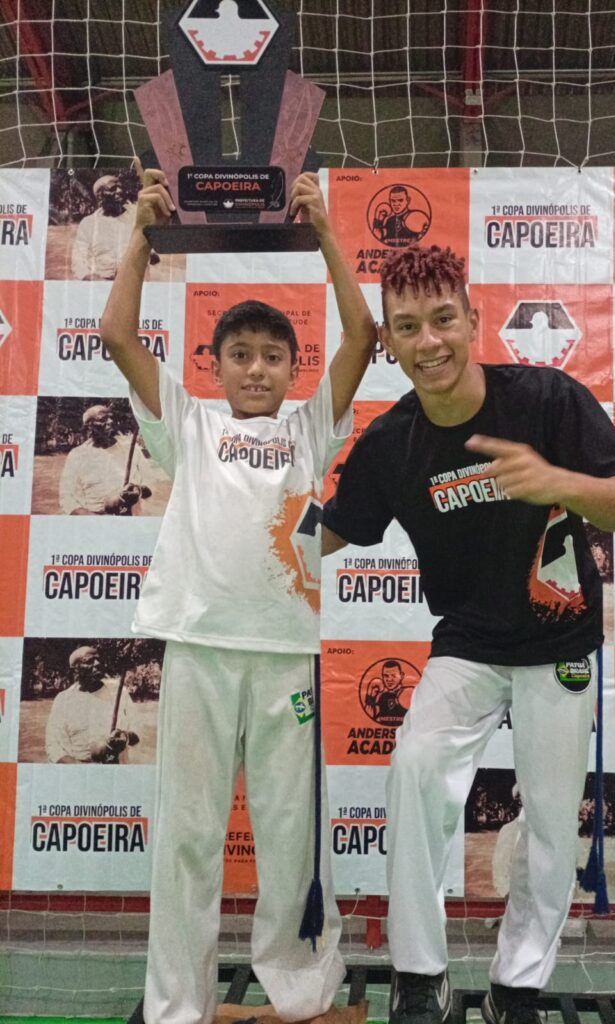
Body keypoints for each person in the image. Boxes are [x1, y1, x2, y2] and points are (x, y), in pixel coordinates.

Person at [322, 244, 615, 1024]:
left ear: (472, 320)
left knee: (550, 820)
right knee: (414, 770)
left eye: (442, 319)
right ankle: (419, 976)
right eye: (407, 326)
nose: (428, 340)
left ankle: (516, 986)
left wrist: (556, 481)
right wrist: (237, 522)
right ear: (387, 342)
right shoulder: (389, 442)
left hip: (559, 643)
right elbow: (323, 534)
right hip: (466, 643)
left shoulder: (545, 399)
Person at [99, 165, 377, 1024]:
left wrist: (325, 233)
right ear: (213, 365)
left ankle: (298, 989)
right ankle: (176, 1000)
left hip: (286, 654)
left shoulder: (309, 428)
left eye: (273, 356)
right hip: (199, 648)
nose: (257, 369)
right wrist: (142, 236)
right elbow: (116, 335)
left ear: (293, 368)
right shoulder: (189, 423)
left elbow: (362, 337)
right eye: (240, 355)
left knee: (292, 834)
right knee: (187, 833)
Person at [45, 645, 140, 764]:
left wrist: (125, 737)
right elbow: (53, 746)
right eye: (89, 661)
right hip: (76, 768)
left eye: (98, 659)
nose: (97, 663)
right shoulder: (63, 700)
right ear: (75, 669)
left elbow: (137, 731)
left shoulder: (119, 692)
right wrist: (82, 768)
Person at [59, 403, 155, 515]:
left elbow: (150, 482)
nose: (110, 422)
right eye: (102, 419)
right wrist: (95, 519)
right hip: (94, 518)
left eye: (110, 418)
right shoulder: (77, 455)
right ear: (89, 426)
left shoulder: (130, 447)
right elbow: (67, 499)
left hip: (130, 517)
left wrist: (138, 491)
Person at [71, 174, 141, 281]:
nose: (119, 191)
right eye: (113, 189)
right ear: (100, 196)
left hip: (132, 281)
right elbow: (78, 260)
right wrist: (94, 279)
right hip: (100, 281)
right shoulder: (89, 223)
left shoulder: (136, 215)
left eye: (120, 187)